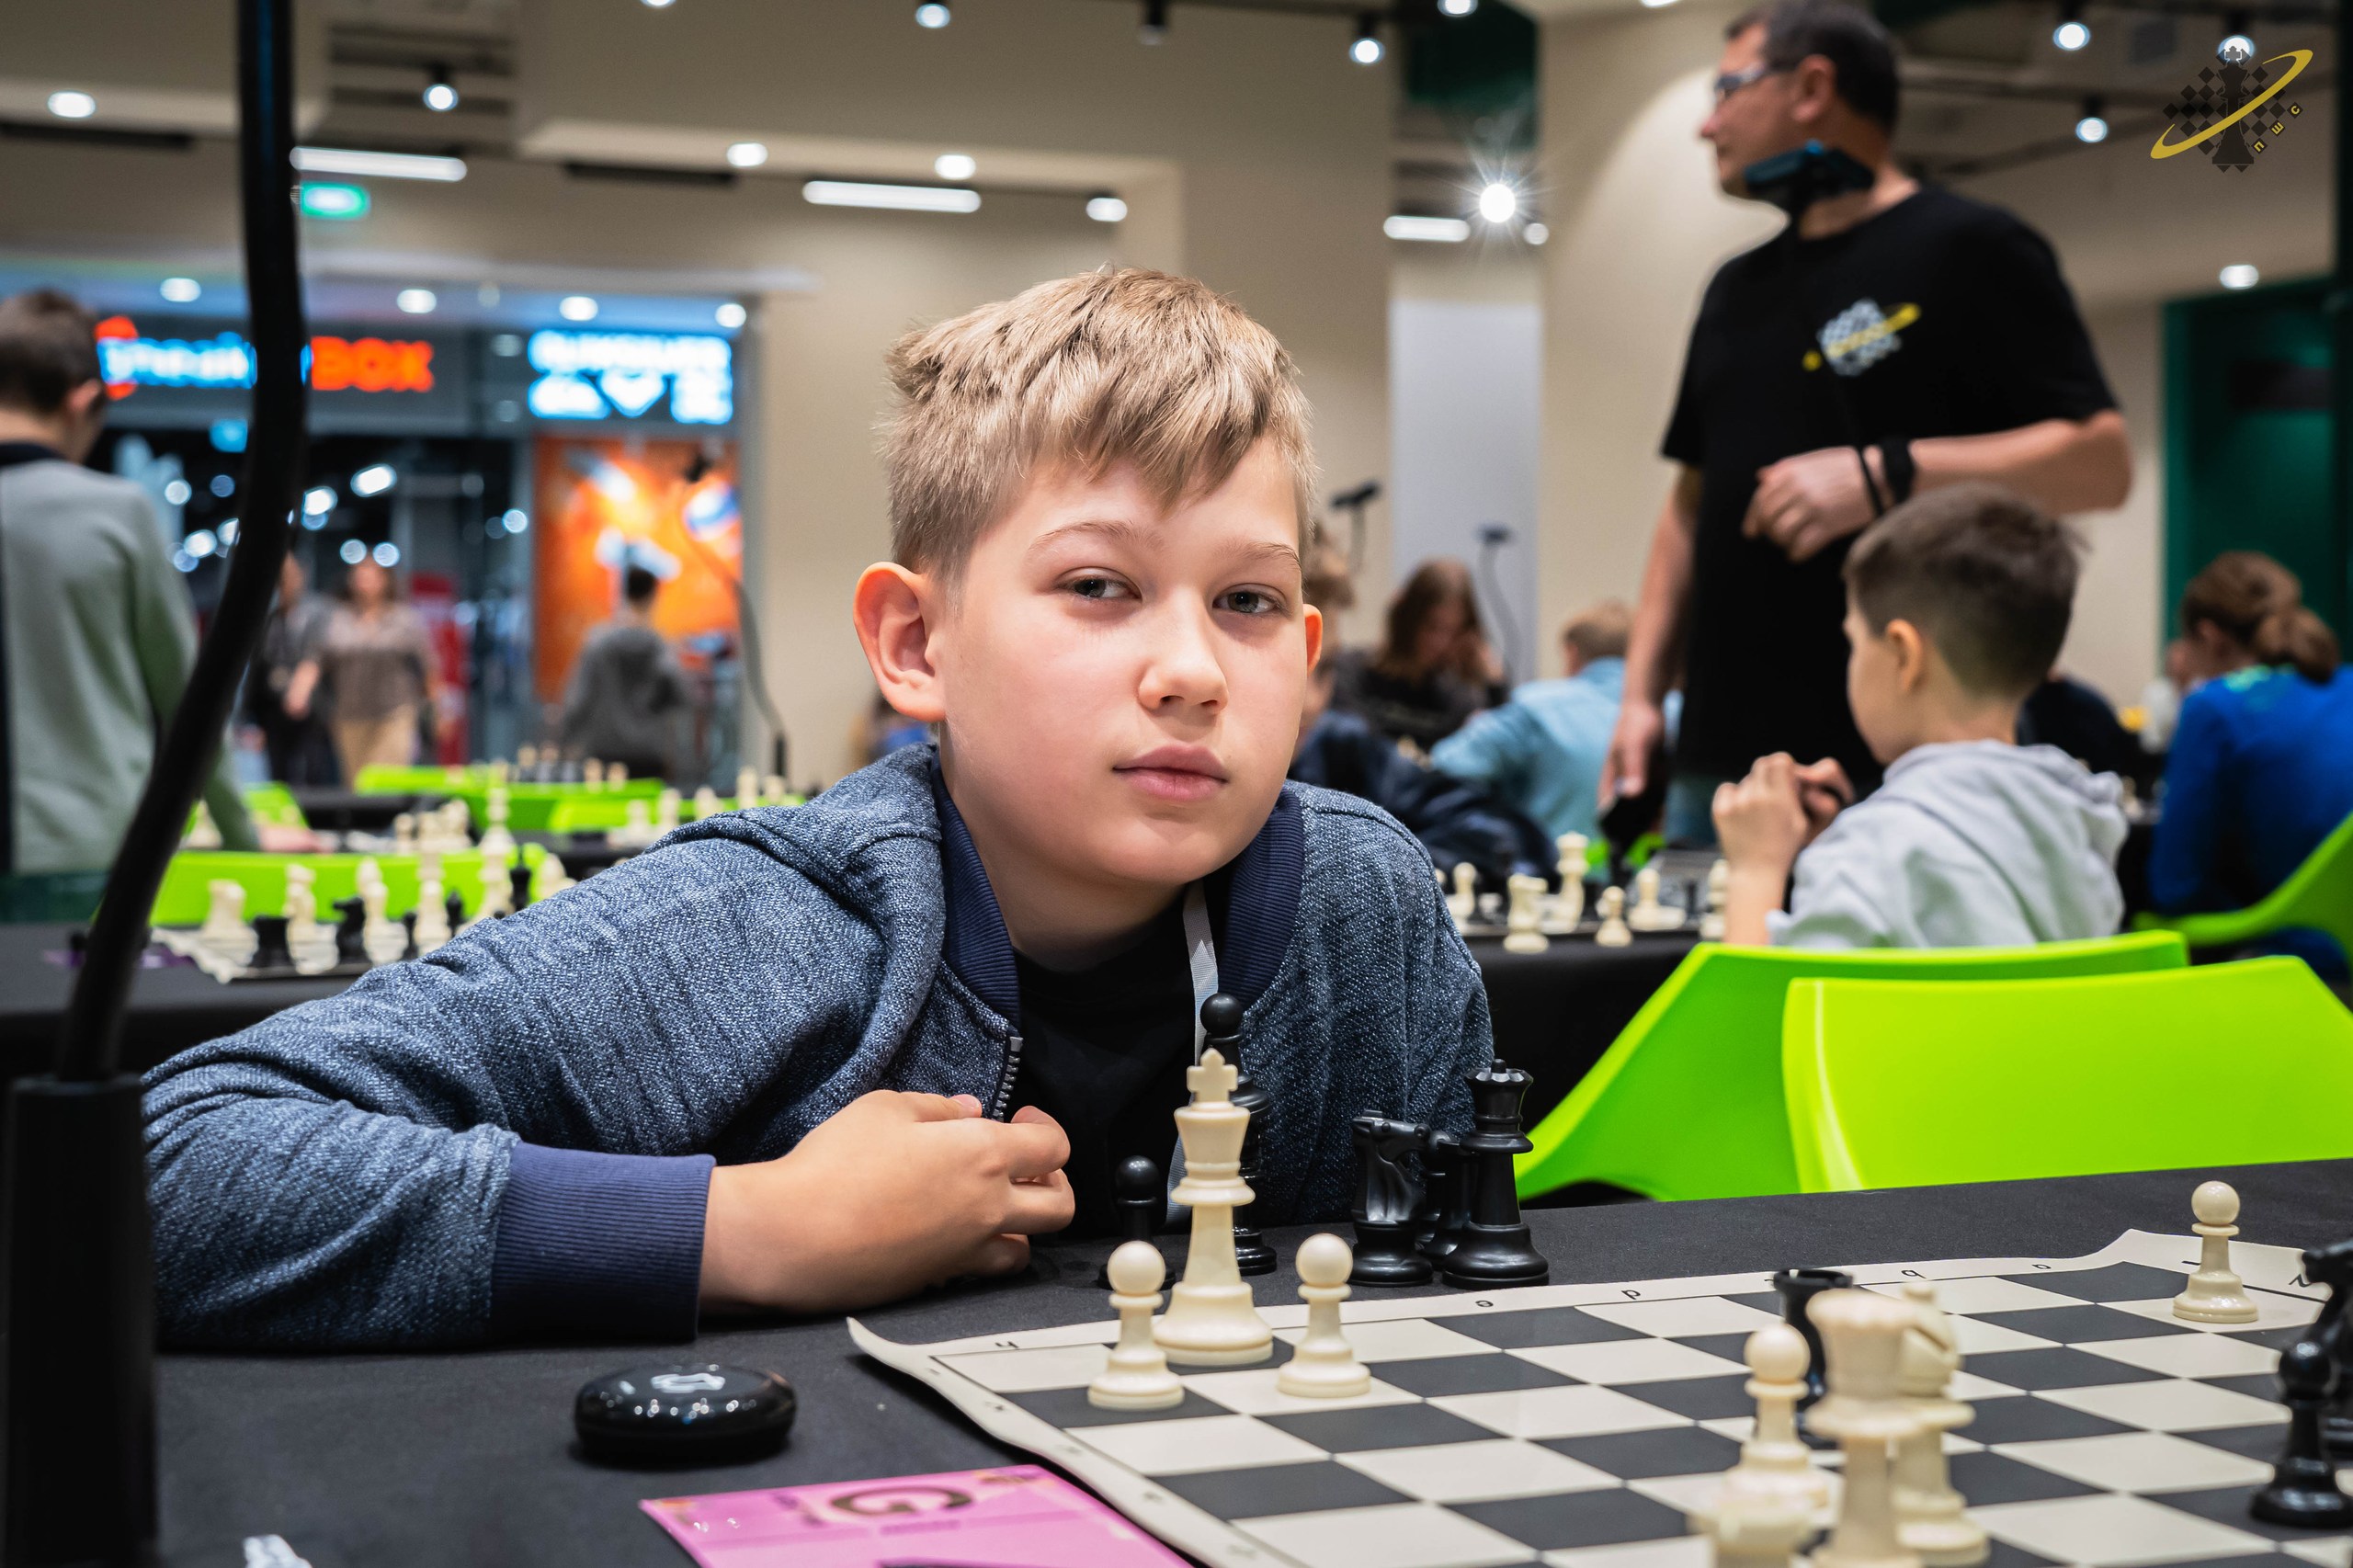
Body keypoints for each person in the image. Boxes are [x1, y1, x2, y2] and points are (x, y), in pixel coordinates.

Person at [142, 268, 1490, 1348]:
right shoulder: (764, 925)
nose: (1192, 669)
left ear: (1308, 653)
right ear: (914, 642)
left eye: (1248, 601)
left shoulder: (1362, 906)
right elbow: (169, 1163)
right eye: (1099, 585)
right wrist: (746, 1230)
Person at [1604, 0, 2131, 844]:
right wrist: (1639, 699)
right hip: (1722, 756)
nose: (1707, 125)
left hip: (1907, 762)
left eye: (1728, 90)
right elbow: (1691, 506)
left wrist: (1887, 474)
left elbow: (2102, 463)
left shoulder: (1975, 249)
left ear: (1812, 88)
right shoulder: (1734, 289)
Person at [1711, 484, 2126, 949]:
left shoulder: (1871, 856)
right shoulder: (2081, 838)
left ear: (1904, 656)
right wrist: (1842, 841)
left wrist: (1755, 870)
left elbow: (1760, 1000)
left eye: (1854, 643)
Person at [0, 288, 256, 896]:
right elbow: (189, 699)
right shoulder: (116, 512)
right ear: (83, 398)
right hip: (85, 854)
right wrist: (244, 835)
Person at [2146, 551, 2353, 976]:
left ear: (2208, 636)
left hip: (2293, 964)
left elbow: (2174, 886)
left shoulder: (2214, 707)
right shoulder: (2346, 686)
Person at [1292, 654, 1552, 889]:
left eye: (1321, 669)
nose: (1311, 702)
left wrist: (1395, 863)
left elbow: (1505, 834)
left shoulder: (1343, 747)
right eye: (1295, 666)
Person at [1430, 600, 1671, 842]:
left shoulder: (1536, 706)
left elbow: (1447, 761)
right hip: (1664, 864)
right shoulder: (1672, 709)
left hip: (1554, 863)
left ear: (1571, 653)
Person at [1327, 559, 1506, 754]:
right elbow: (1351, 748)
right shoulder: (1350, 671)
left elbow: (1492, 752)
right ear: (1406, 616)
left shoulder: (1458, 697)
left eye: (1452, 631)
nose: (1440, 642)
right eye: (1432, 626)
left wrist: (1494, 685)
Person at [559, 562, 690, 780]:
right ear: (652, 597)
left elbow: (578, 700)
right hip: (649, 755)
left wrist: (566, 740)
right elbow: (680, 696)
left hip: (603, 754)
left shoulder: (599, 644)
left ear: (622, 592)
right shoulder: (660, 648)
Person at [318, 555, 438, 782]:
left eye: (370, 577)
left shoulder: (404, 619)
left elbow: (428, 667)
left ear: (385, 581)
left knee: (388, 783)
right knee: (357, 784)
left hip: (394, 714)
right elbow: (318, 660)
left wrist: (437, 710)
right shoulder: (338, 619)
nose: (364, 583)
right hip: (350, 716)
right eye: (359, 577)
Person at [246, 552, 337, 787]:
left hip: (312, 710)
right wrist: (253, 721)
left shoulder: (318, 611)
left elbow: (315, 655)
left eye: (287, 578)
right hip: (272, 711)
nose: (283, 585)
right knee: (278, 774)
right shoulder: (266, 618)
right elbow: (257, 671)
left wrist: (300, 690)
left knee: (314, 773)